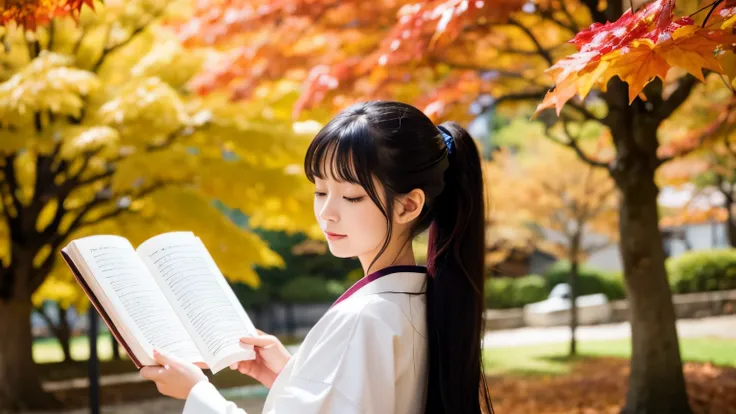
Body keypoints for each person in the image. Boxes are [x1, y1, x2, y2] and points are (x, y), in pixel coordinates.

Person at [140, 100, 494, 413]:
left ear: (409, 205)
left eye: (351, 196)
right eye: (320, 190)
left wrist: (197, 393)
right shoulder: (419, 301)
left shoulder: (364, 318)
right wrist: (293, 374)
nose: (327, 212)